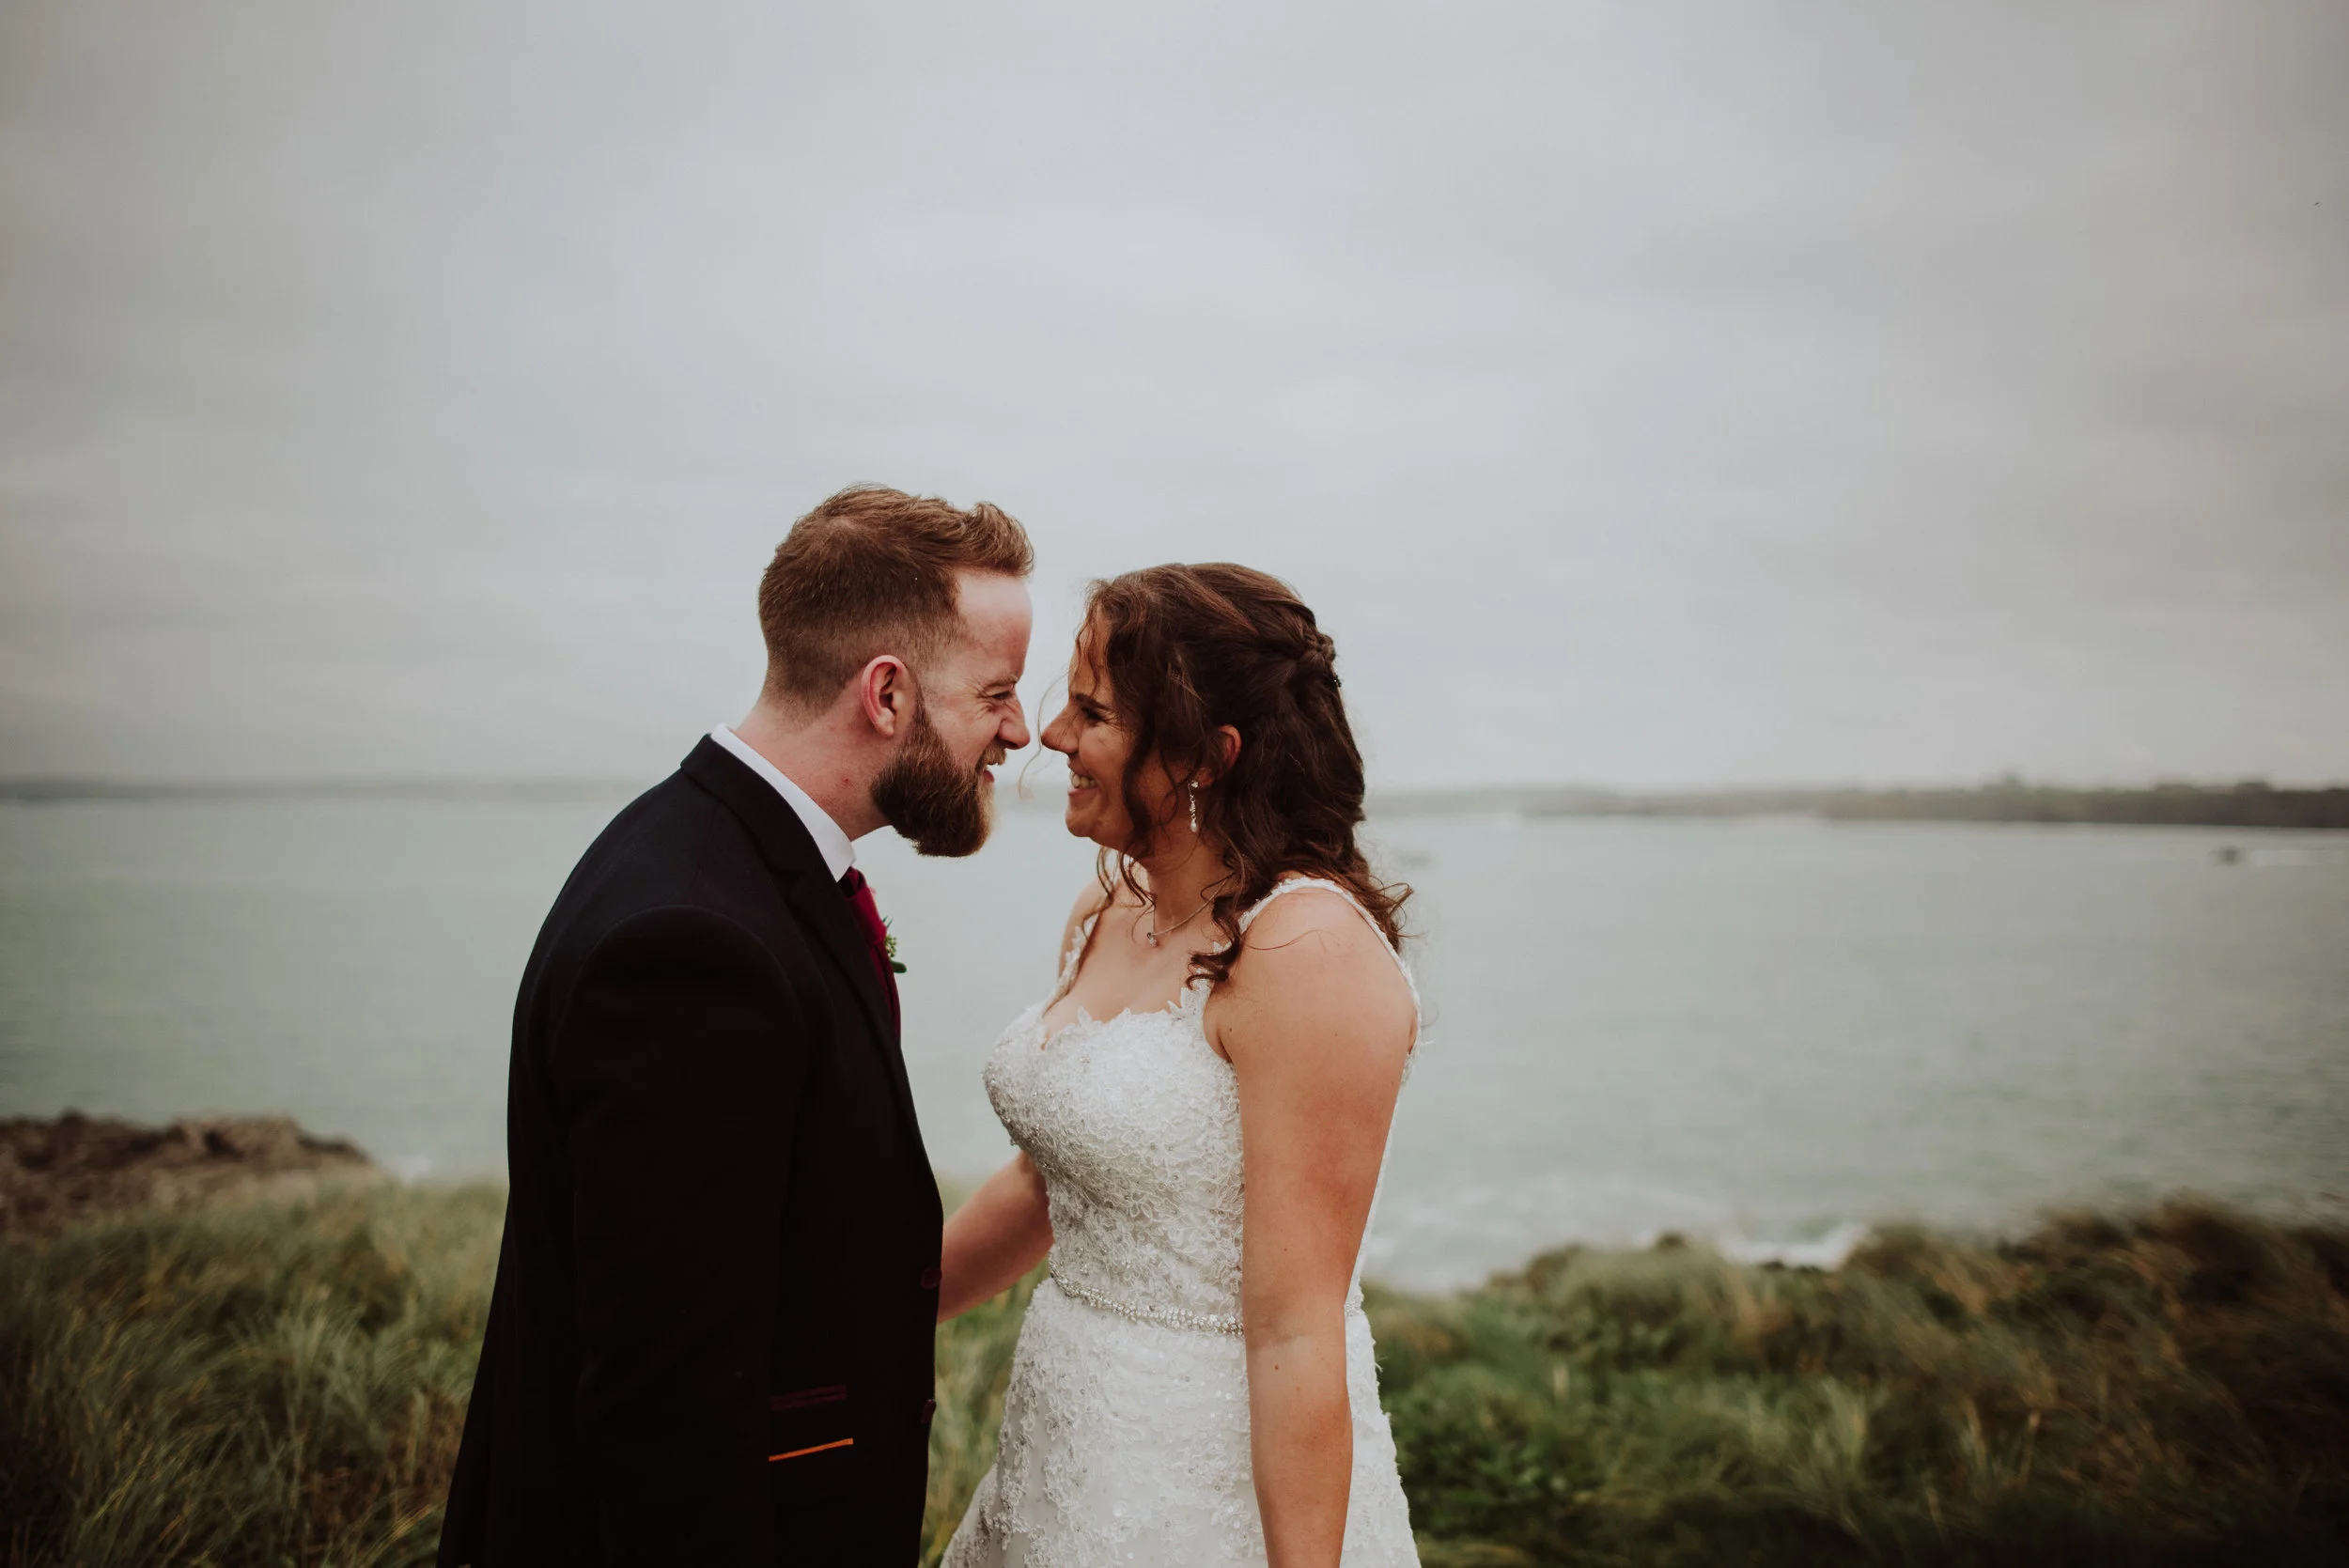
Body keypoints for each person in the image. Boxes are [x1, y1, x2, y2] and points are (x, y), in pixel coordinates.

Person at [437, 485, 1034, 1567]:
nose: (1020, 728)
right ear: (887, 694)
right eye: (996, 691)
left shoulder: (708, 851)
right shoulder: (693, 946)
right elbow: (668, 1403)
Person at [938, 564, 1421, 1567]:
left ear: (1206, 755)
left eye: (1092, 711)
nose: (1053, 735)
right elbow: (1051, 1184)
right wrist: (872, 1318)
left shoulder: (1303, 954)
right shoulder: (1106, 910)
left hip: (1200, 1498)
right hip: (1058, 1458)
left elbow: (1296, 1326)